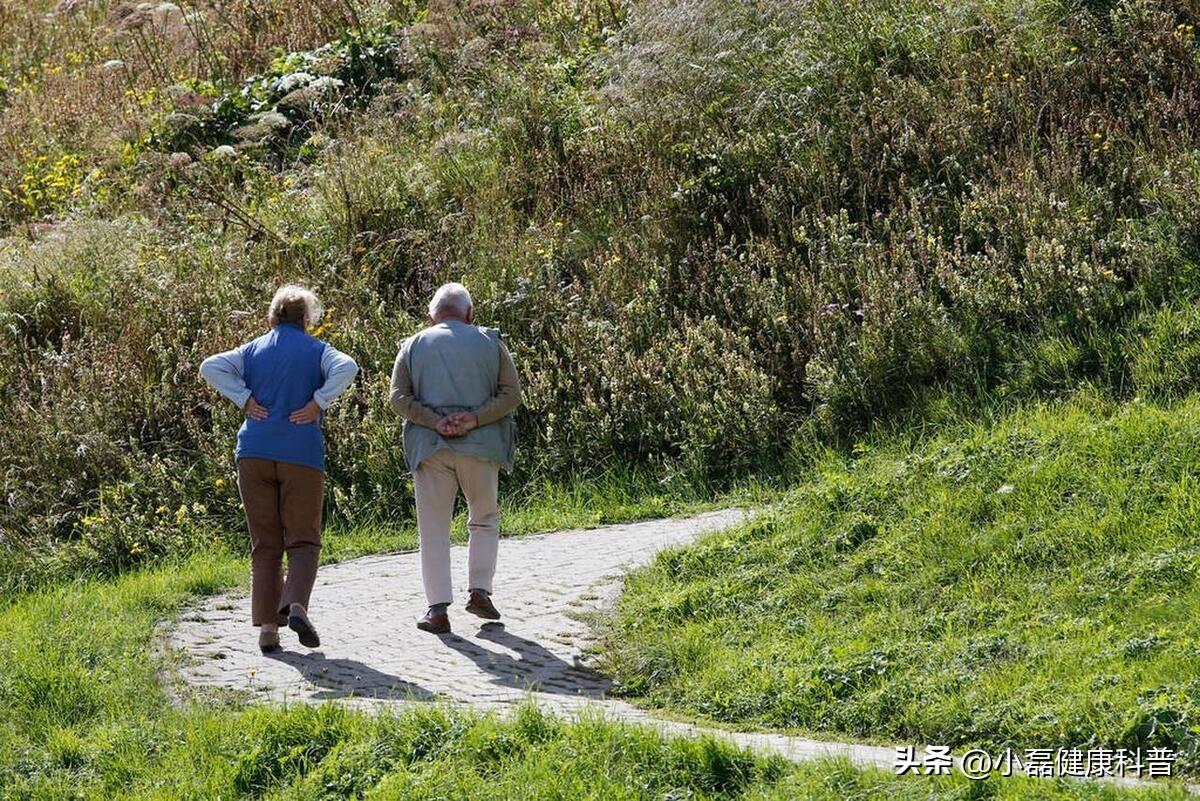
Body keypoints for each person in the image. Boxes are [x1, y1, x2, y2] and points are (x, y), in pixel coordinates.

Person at [200, 284, 358, 654]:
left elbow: (210, 366)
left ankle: (268, 630)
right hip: (301, 452)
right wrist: (318, 402)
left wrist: (244, 398)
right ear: (307, 321)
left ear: (270, 319)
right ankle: (297, 605)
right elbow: (347, 367)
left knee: (265, 543)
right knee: (303, 540)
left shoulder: (251, 350)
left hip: (253, 452)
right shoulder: (318, 350)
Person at [389, 282, 522, 634]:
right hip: (481, 446)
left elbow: (398, 397)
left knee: (433, 530)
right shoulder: (491, 343)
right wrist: (474, 418)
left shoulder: (413, 345)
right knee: (484, 519)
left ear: (431, 316)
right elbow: (512, 393)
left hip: (431, 449)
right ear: (469, 313)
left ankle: (437, 610)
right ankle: (479, 590)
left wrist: (436, 421)